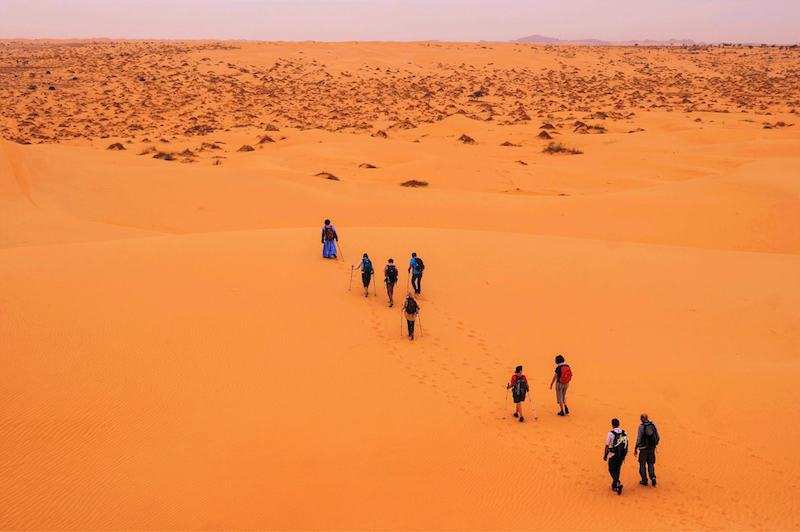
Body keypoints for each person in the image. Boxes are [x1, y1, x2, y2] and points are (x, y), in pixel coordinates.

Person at [634, 413, 660, 486]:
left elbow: (639, 438)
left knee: (642, 464)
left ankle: (644, 480)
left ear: (642, 419)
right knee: (651, 463)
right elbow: (658, 436)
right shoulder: (653, 424)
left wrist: (636, 447)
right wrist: (654, 444)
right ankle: (653, 477)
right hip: (652, 448)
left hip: (643, 448)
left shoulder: (641, 427)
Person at [604, 418, 628, 495]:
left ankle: (617, 482)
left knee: (611, 469)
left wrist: (605, 455)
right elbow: (626, 443)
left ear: (612, 425)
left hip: (613, 455)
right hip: (621, 455)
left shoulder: (611, 434)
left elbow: (607, 445)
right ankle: (615, 485)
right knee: (617, 469)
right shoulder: (624, 433)